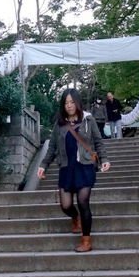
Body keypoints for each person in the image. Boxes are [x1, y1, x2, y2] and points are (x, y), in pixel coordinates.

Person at [37, 89, 111, 252]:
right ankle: (75, 217)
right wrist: (43, 165)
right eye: (66, 103)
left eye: (72, 102)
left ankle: (86, 240)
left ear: (77, 103)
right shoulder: (59, 124)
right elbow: (52, 148)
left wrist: (104, 159)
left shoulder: (88, 120)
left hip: (85, 167)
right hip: (66, 168)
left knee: (83, 201)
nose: (69, 106)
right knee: (66, 205)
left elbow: (98, 142)